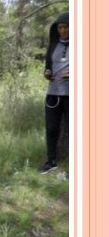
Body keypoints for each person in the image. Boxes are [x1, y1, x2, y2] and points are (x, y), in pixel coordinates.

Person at [40, 12, 69, 174]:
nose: (62, 30)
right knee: (51, 128)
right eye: (60, 27)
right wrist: (47, 72)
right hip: (53, 92)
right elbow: (48, 66)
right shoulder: (54, 45)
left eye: (65, 27)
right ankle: (51, 161)